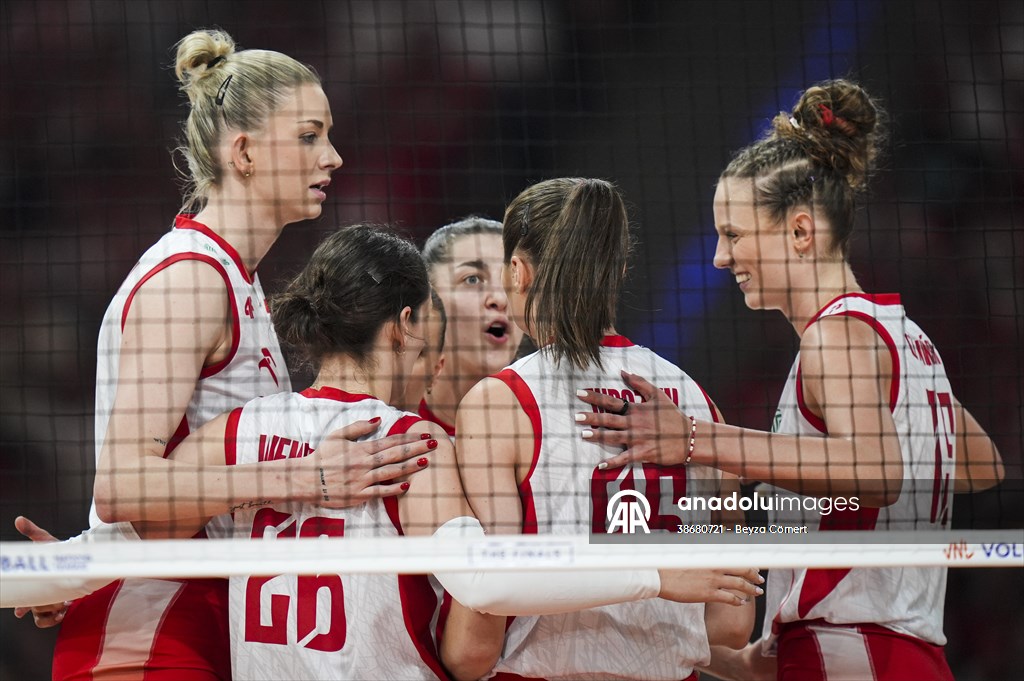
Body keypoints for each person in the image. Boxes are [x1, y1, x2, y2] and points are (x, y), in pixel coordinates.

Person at [15, 224, 757, 681]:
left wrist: (71, 572)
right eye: (460, 291)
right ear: (407, 323)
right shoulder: (416, 445)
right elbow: (485, 599)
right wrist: (659, 572)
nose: (492, 302)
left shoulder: (241, 433)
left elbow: (151, 514)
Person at [574, 80, 1005, 680]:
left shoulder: (835, 337)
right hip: (886, 652)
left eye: (734, 234)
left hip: (854, 647)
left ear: (801, 232)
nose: (721, 258)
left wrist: (697, 439)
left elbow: (876, 474)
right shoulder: (903, 335)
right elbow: (980, 464)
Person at [40, 29, 434, 681]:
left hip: (209, 617)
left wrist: (81, 556)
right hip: (150, 626)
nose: (332, 156)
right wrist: (305, 476)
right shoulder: (191, 280)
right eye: (309, 135)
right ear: (244, 151)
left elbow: (175, 477)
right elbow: (122, 485)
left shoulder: (233, 278)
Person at [451, 177, 758, 680]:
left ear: (517, 271)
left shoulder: (499, 402)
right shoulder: (699, 405)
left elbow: (485, 619)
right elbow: (730, 620)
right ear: (617, 271)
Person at [417, 217, 524, 435]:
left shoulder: (561, 410)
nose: (500, 299)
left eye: (512, 280)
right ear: (429, 300)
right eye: (473, 279)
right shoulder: (384, 411)